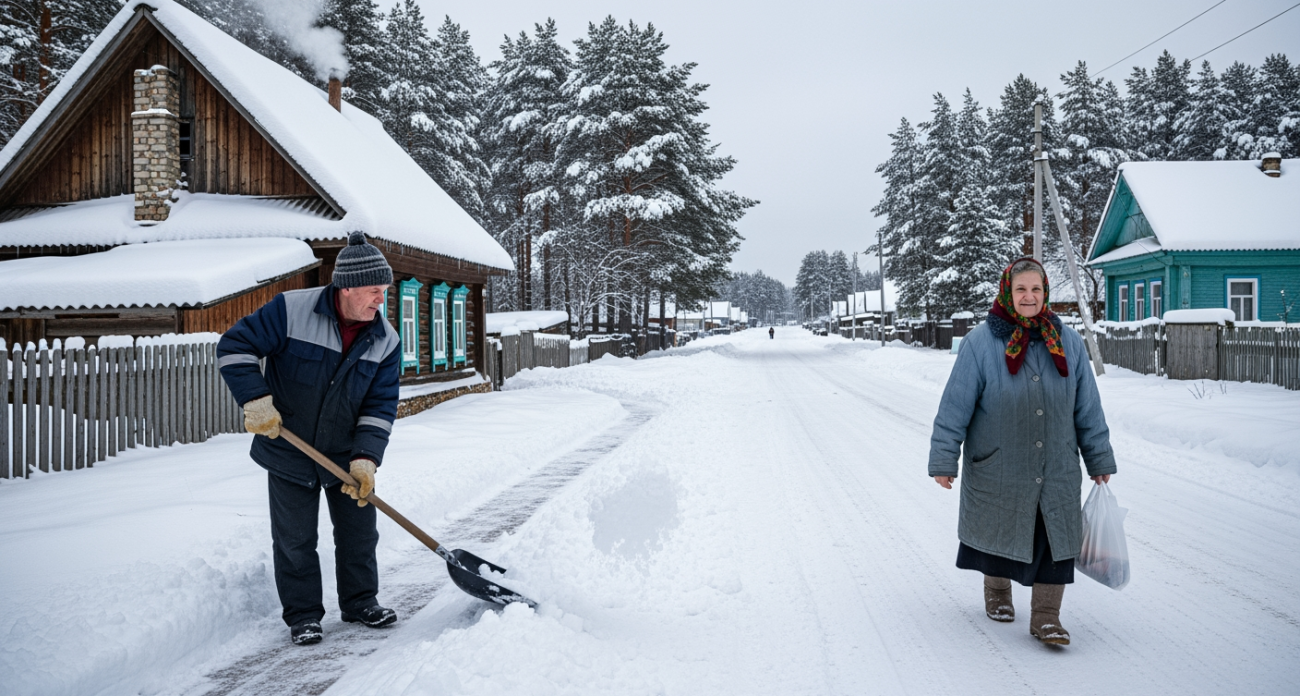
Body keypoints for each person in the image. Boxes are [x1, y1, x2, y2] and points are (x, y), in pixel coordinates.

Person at [218, 231, 402, 646]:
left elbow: (380, 405)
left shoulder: (385, 339)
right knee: (295, 538)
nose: (380, 300)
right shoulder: (290, 310)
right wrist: (256, 400)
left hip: (344, 453)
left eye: (384, 292)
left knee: (358, 532)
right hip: (289, 446)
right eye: (374, 291)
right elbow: (235, 346)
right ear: (347, 286)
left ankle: (360, 602)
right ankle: (303, 616)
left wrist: (366, 459)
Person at [928, 257, 1116, 646]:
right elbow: (955, 405)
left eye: (1036, 289)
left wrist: (1099, 457)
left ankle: (1047, 617)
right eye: (1021, 289)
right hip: (999, 462)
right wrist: (944, 459)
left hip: (1057, 464)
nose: (1029, 297)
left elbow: (1088, 408)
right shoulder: (981, 342)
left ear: (1045, 292)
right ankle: (997, 590)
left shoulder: (1068, 342)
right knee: (1000, 530)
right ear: (1007, 293)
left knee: (1054, 538)